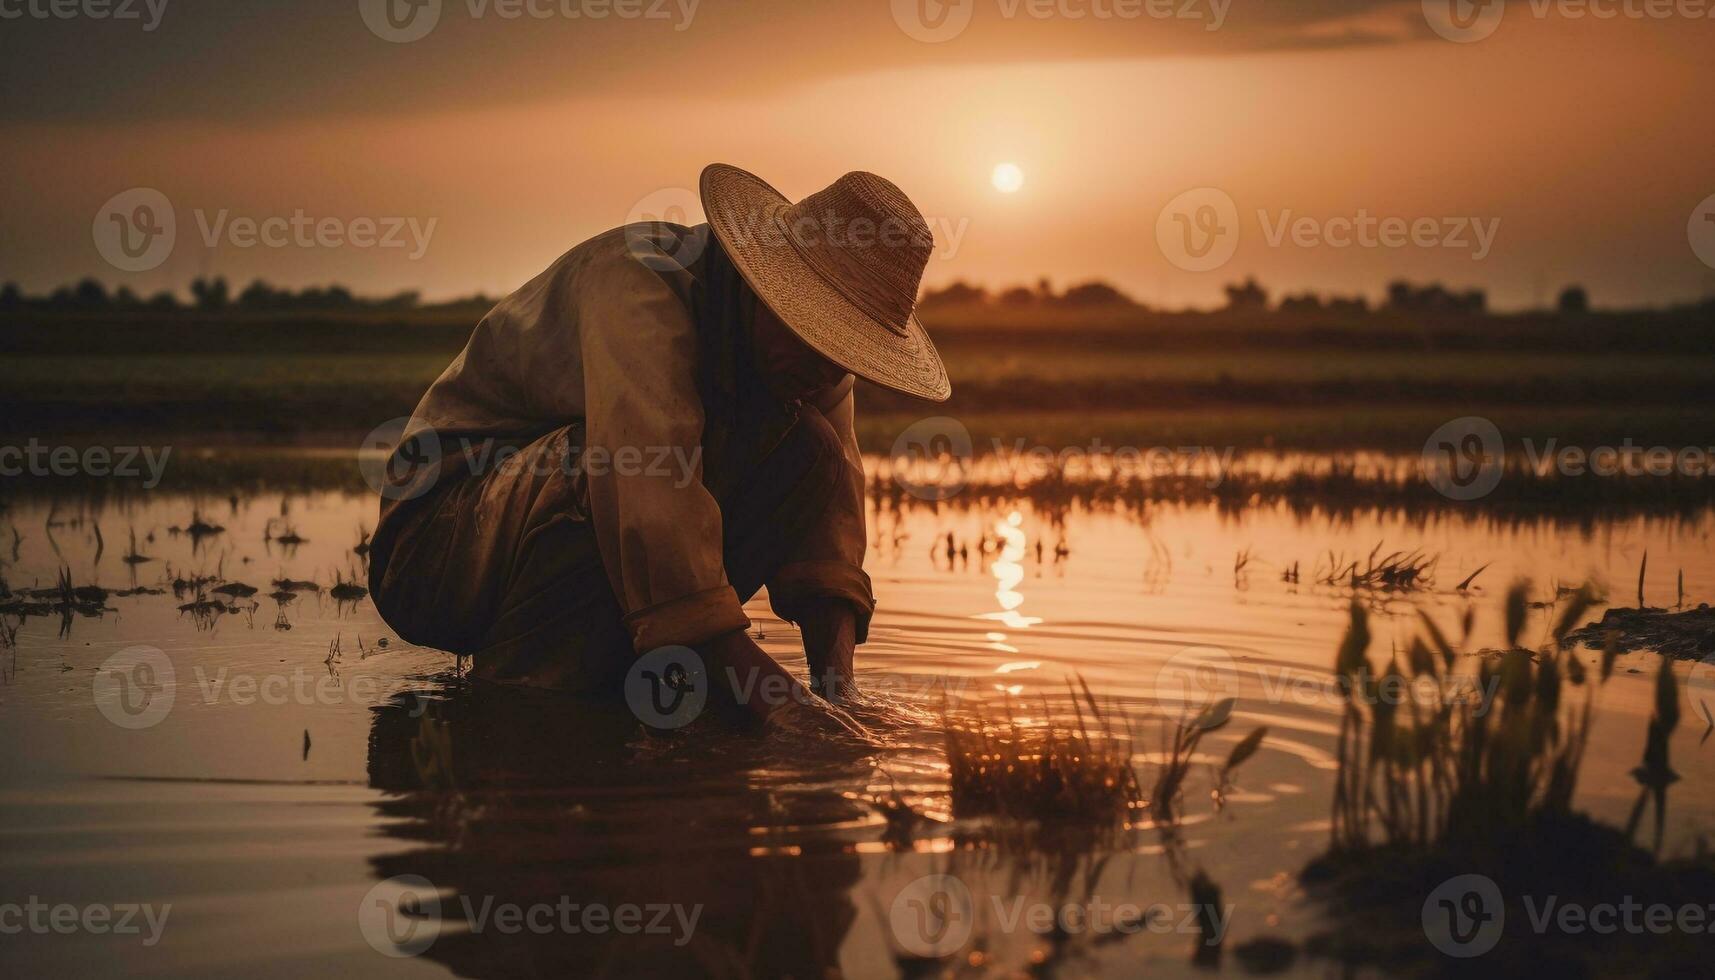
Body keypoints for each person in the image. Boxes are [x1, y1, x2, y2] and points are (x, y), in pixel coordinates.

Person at [367, 163, 951, 729]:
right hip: (435, 542)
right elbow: (647, 495)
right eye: (812, 337)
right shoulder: (637, 284)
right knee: (598, 462)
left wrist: (838, 699)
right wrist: (779, 704)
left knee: (814, 450)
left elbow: (834, 521)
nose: (824, 372)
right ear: (761, 290)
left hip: (552, 533)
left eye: (841, 356)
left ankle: (619, 677)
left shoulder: (810, 370)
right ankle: (525, 698)